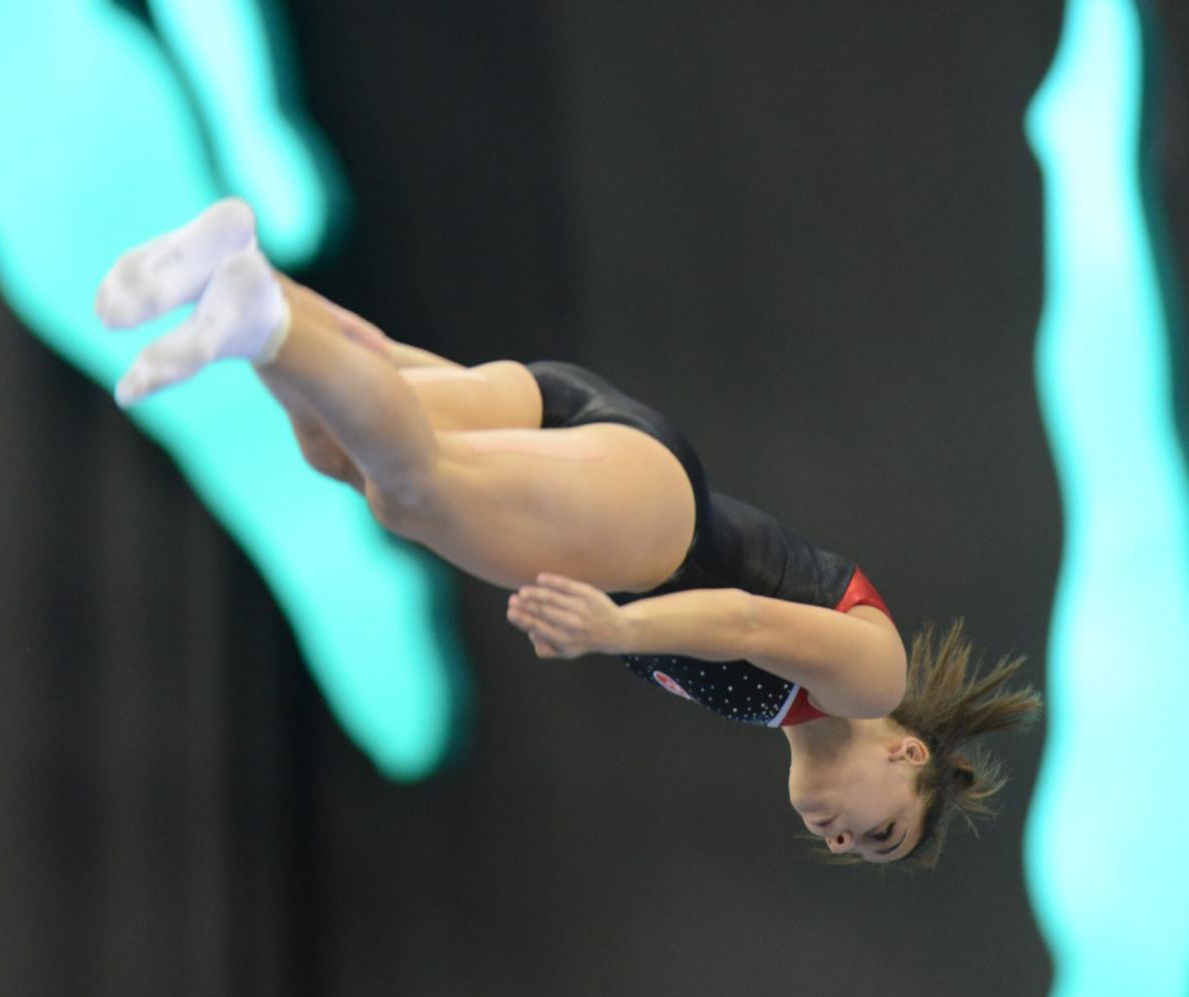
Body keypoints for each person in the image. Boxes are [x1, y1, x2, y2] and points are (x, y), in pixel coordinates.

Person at [98, 198, 1041, 867]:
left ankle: (235, 273)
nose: (839, 839)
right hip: (653, 513)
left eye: (848, 851)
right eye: (879, 832)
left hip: (582, 428)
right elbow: (753, 626)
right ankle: (257, 325)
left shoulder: (780, 718)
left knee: (346, 451)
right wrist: (616, 630)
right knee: (411, 494)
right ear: (906, 754)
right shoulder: (874, 682)